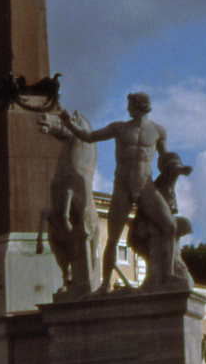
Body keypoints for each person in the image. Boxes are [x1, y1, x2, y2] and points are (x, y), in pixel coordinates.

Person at [61, 94, 170, 290]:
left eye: (130, 105)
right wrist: (69, 123)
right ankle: (105, 284)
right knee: (113, 237)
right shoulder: (119, 128)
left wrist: (174, 167)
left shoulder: (158, 131)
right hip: (122, 186)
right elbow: (88, 136)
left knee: (169, 225)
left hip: (146, 185)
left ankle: (169, 274)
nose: (127, 109)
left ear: (139, 106)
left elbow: (164, 160)